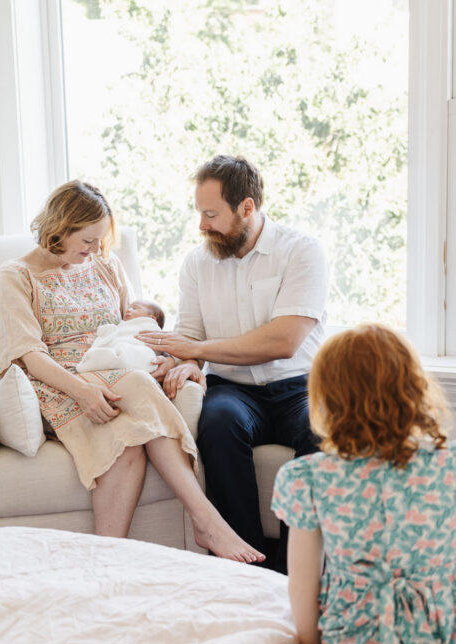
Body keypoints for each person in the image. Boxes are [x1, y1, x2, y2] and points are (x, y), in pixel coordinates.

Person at [0, 179, 263, 563]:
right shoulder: (17, 275)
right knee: (133, 386)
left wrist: (171, 359)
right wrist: (84, 392)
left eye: (100, 240)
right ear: (59, 229)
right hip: (56, 383)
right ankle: (207, 521)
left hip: (113, 371)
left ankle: (108, 560)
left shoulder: (105, 264)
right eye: (86, 241)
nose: (95, 250)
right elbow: (29, 355)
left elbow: (133, 327)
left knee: (129, 448)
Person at [270, 323, 456, 644]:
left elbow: (302, 585)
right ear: (415, 388)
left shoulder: (307, 477)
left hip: (351, 635)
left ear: (326, 399)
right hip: (447, 633)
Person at [137, 155, 328, 571]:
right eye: (199, 213)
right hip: (234, 389)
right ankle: (244, 566)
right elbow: (188, 335)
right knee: (219, 424)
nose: (202, 225)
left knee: (323, 430)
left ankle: (297, 569)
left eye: (211, 214)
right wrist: (183, 362)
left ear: (246, 207)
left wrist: (198, 352)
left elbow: (283, 341)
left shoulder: (301, 251)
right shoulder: (197, 263)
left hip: (302, 384)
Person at [76, 300, 166, 374]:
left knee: (142, 353)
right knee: (117, 348)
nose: (128, 310)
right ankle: (107, 357)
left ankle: (106, 358)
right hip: (120, 348)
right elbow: (119, 336)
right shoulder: (122, 325)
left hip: (139, 351)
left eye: (135, 308)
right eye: (129, 307)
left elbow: (162, 344)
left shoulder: (151, 326)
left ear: (152, 318)